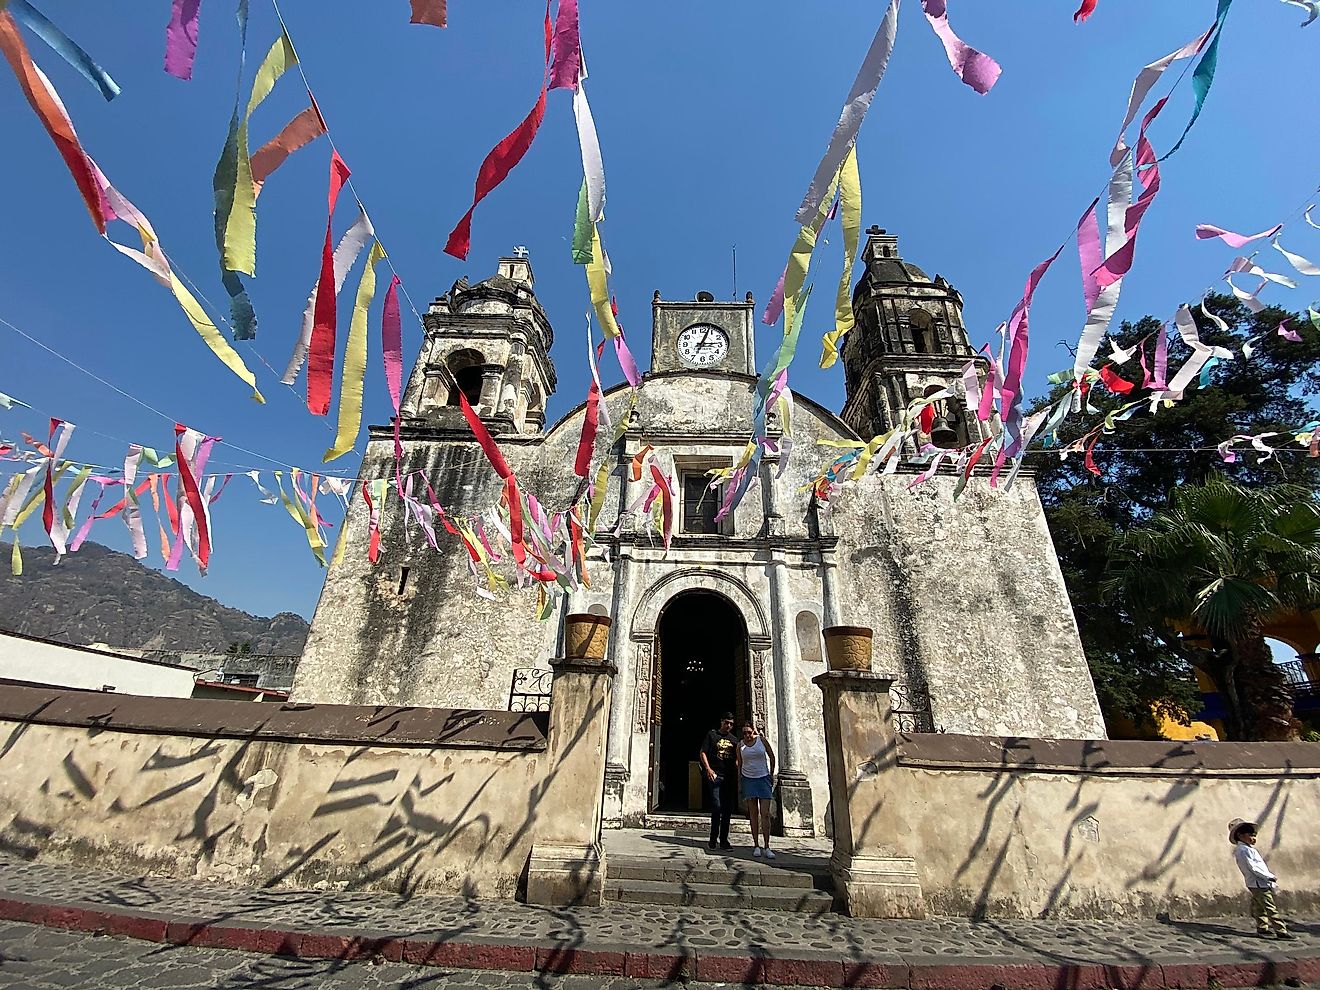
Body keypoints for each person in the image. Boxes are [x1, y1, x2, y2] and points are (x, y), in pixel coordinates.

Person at [1228, 818, 1294, 939]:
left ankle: (1262, 927)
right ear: (1240, 835)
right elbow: (1254, 868)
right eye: (1249, 835)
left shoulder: (1247, 849)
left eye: (1254, 835)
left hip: (1257, 882)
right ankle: (1281, 930)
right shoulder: (1243, 850)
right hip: (1258, 882)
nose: (1253, 838)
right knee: (1269, 906)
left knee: (1259, 906)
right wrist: (1269, 877)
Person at [737, 720, 777, 858]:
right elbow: (740, 764)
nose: (747, 735)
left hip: (763, 778)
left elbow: (772, 756)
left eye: (749, 732)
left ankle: (767, 846)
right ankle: (756, 845)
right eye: (744, 733)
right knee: (753, 814)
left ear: (754, 731)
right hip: (748, 779)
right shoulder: (740, 746)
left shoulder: (762, 741)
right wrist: (740, 782)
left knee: (765, 813)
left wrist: (771, 774)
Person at [698, 712, 737, 850]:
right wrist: (708, 769)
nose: (728, 726)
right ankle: (713, 839)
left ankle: (724, 840)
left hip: (729, 778)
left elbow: (738, 758)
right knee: (716, 807)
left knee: (727, 810)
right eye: (726, 722)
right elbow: (703, 752)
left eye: (731, 724)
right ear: (721, 721)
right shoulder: (712, 735)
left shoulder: (734, 740)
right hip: (715, 776)